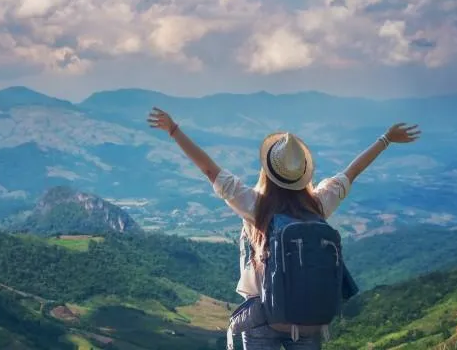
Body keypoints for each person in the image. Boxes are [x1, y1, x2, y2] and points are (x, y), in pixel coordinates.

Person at [147, 107, 421, 350]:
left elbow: (210, 170)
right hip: (307, 314)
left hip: (262, 313)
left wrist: (173, 130)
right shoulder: (318, 204)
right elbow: (352, 172)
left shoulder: (256, 205)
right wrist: (385, 139)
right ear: (303, 174)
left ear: (267, 171)